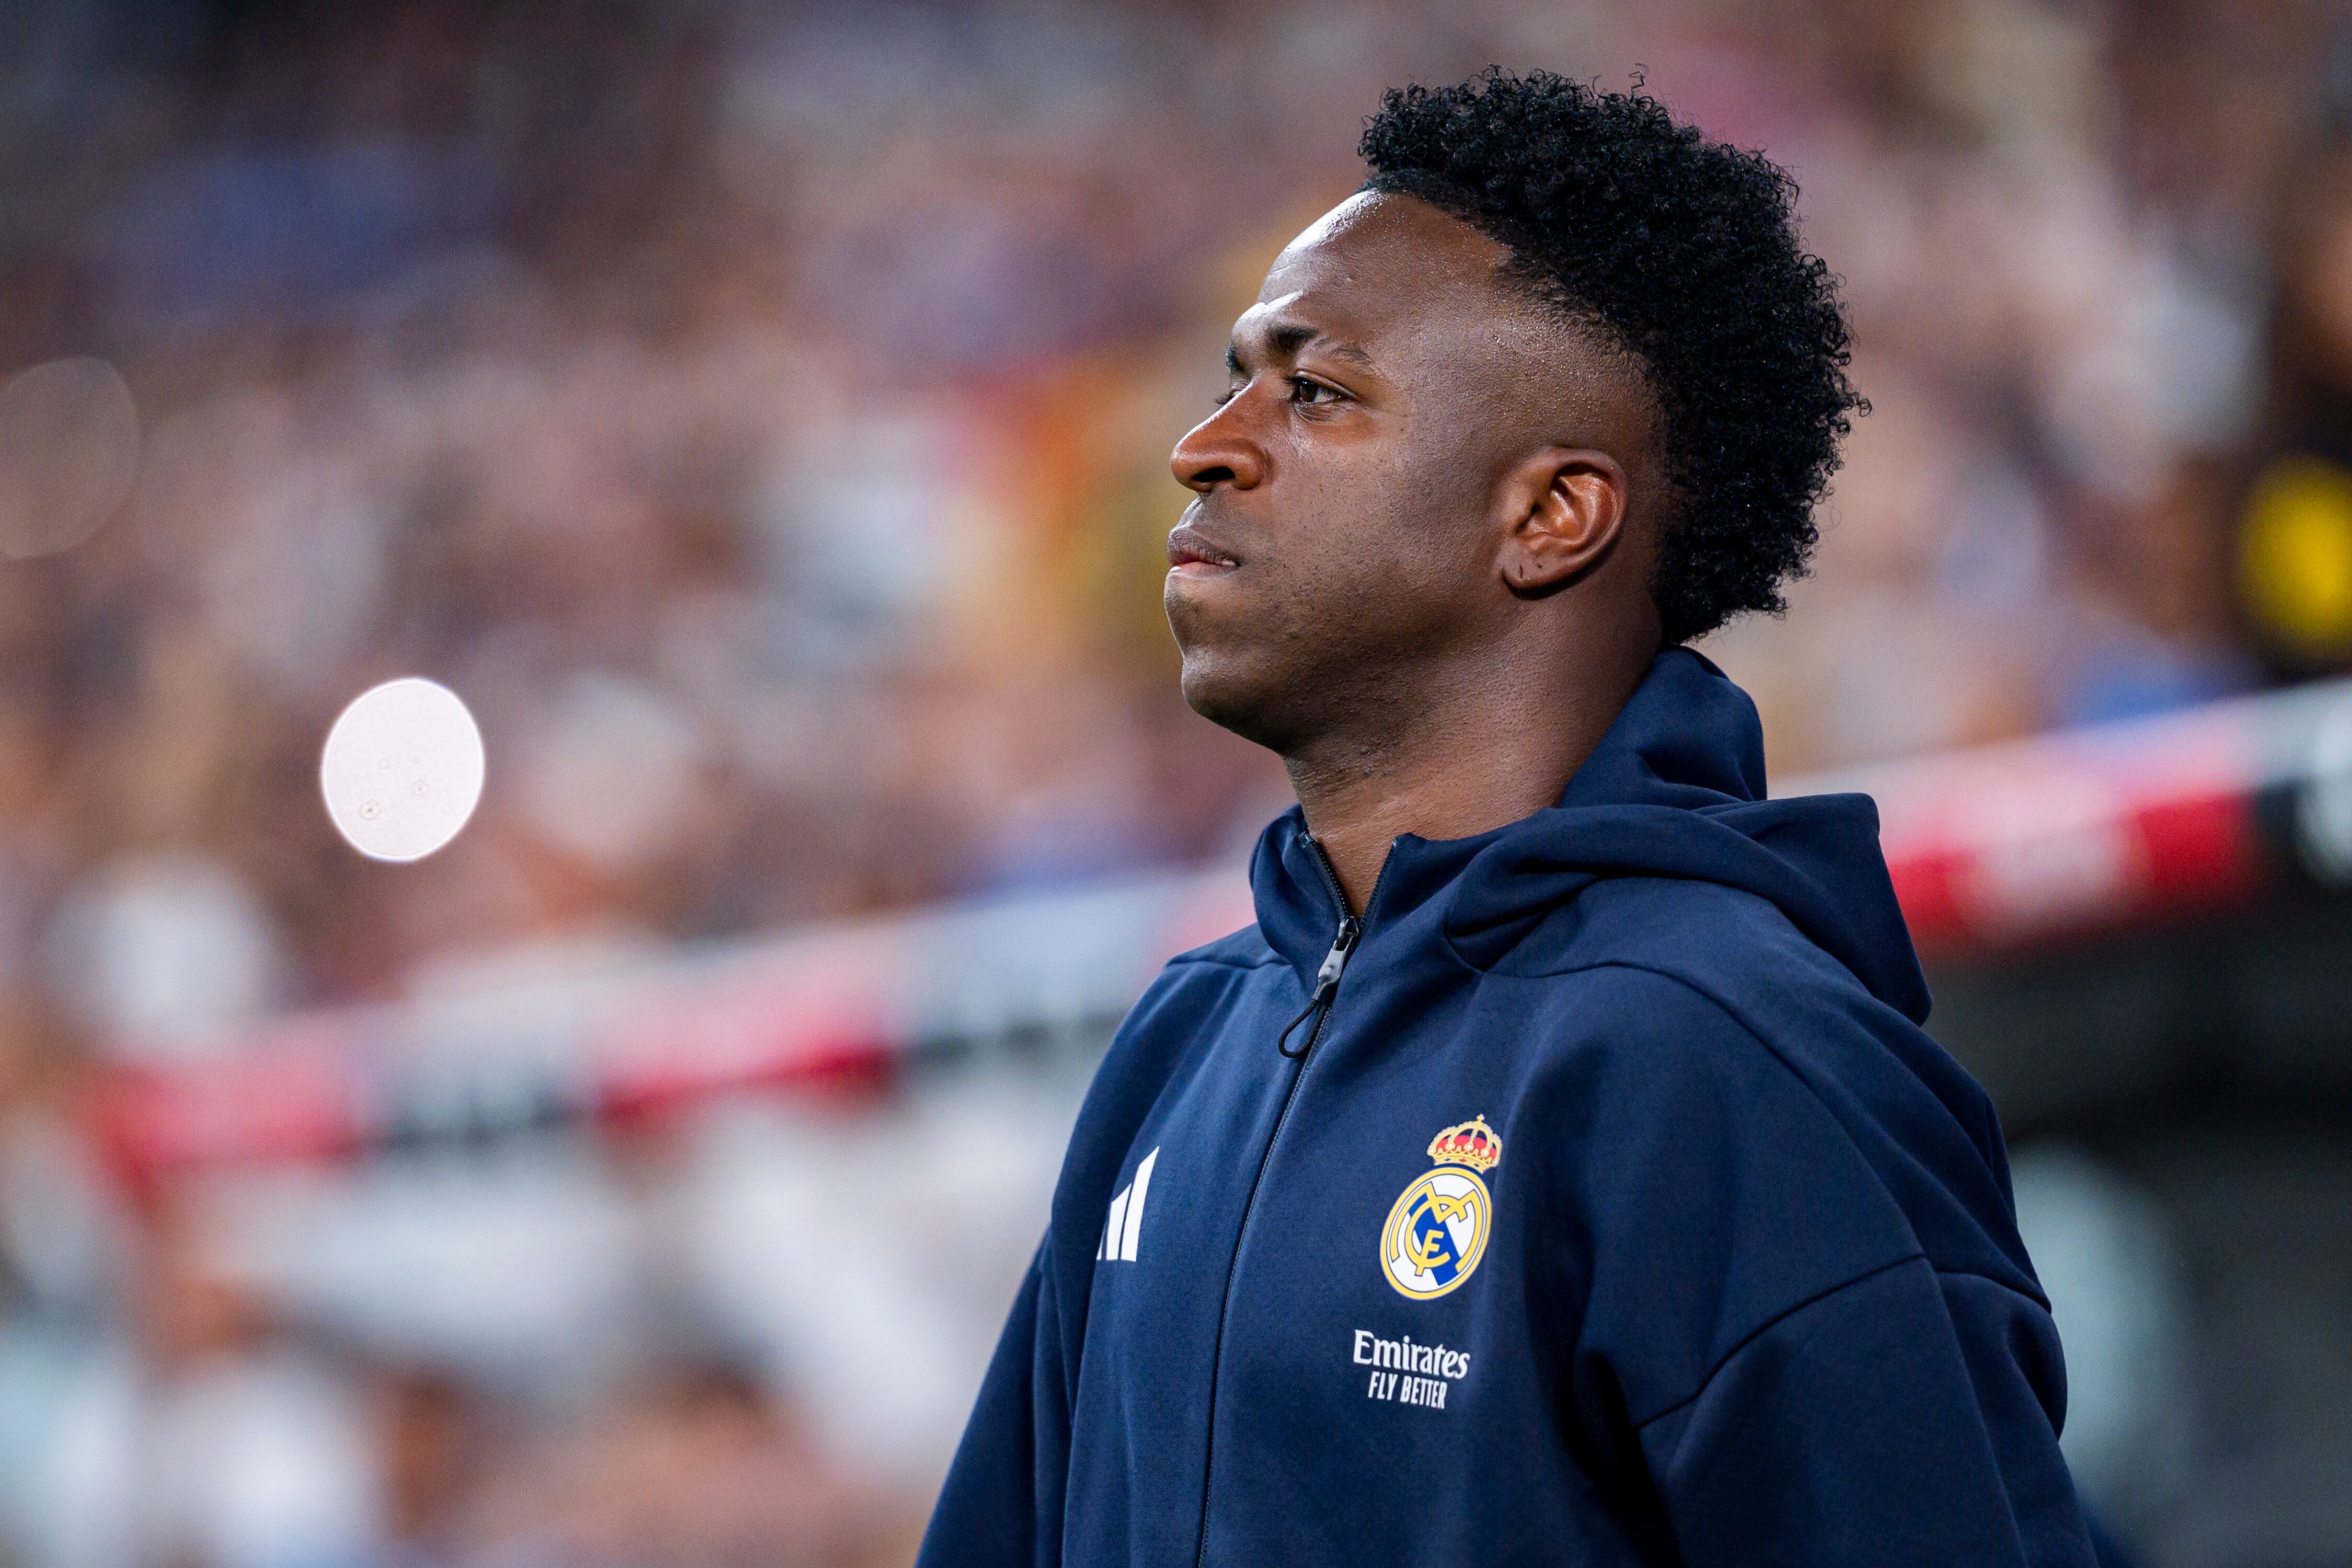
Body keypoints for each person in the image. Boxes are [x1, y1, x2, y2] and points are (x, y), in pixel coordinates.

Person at [918, 71, 2099, 1566]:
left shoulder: (1732, 1065)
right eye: (1233, 377)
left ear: (1549, 517)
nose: (1203, 445)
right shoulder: (1184, 1039)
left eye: (1315, 391)